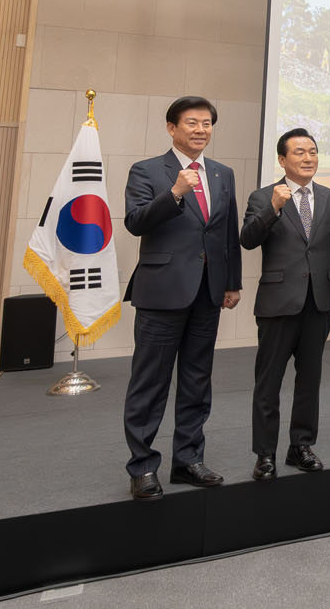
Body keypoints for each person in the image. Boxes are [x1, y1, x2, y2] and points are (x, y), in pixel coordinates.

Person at [121, 96, 242, 500]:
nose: (200, 130)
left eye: (207, 123)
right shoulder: (147, 170)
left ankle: (188, 459)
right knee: (150, 382)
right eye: (192, 122)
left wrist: (231, 282)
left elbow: (226, 233)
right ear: (172, 128)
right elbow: (136, 222)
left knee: (197, 380)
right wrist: (174, 193)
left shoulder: (222, 174)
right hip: (162, 291)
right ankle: (142, 466)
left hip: (208, 292)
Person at [239, 128, 330, 481]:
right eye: (299, 152)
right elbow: (248, 239)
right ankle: (265, 453)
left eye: (313, 151)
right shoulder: (263, 196)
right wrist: (273, 208)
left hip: (318, 301)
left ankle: (301, 445)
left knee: (309, 379)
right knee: (268, 382)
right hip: (278, 302)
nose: (308, 158)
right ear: (282, 160)